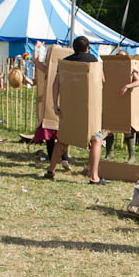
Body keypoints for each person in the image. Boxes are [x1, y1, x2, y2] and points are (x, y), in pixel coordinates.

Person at [40, 36, 108, 185]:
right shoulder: (92, 60)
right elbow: (102, 79)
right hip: (88, 110)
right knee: (97, 139)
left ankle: (51, 170)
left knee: (62, 139)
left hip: (68, 108)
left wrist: (55, 106)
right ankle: (94, 177)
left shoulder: (65, 62)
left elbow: (55, 84)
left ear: (74, 48)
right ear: (87, 48)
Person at [31, 41, 71, 171]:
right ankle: (64, 159)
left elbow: (35, 61)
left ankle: (54, 159)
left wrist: (36, 47)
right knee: (61, 136)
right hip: (61, 106)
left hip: (53, 108)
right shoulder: (66, 69)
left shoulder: (49, 69)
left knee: (52, 136)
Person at [105, 49, 139, 164]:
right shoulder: (111, 67)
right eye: (117, 56)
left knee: (126, 129)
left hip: (124, 101)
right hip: (112, 100)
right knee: (109, 128)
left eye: (121, 56)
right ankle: (109, 153)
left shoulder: (130, 67)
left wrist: (127, 86)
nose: (119, 58)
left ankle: (132, 156)